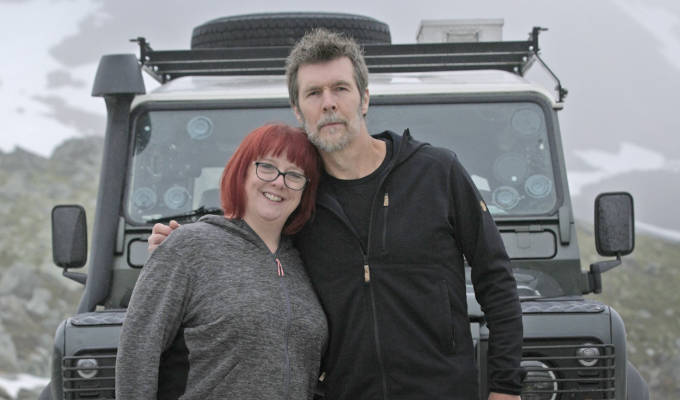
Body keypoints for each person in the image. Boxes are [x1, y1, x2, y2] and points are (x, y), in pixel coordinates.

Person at [150, 30, 523, 400]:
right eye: (314, 93)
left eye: (340, 89)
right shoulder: (296, 197)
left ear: (364, 99)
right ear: (298, 110)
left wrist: (505, 387)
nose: (328, 103)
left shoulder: (436, 172)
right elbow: (247, 232)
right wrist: (186, 241)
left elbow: (496, 278)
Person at [117, 123, 327, 399]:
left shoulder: (308, 262)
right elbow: (138, 352)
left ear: (305, 191)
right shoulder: (188, 247)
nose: (279, 181)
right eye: (267, 167)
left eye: (294, 175)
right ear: (242, 172)